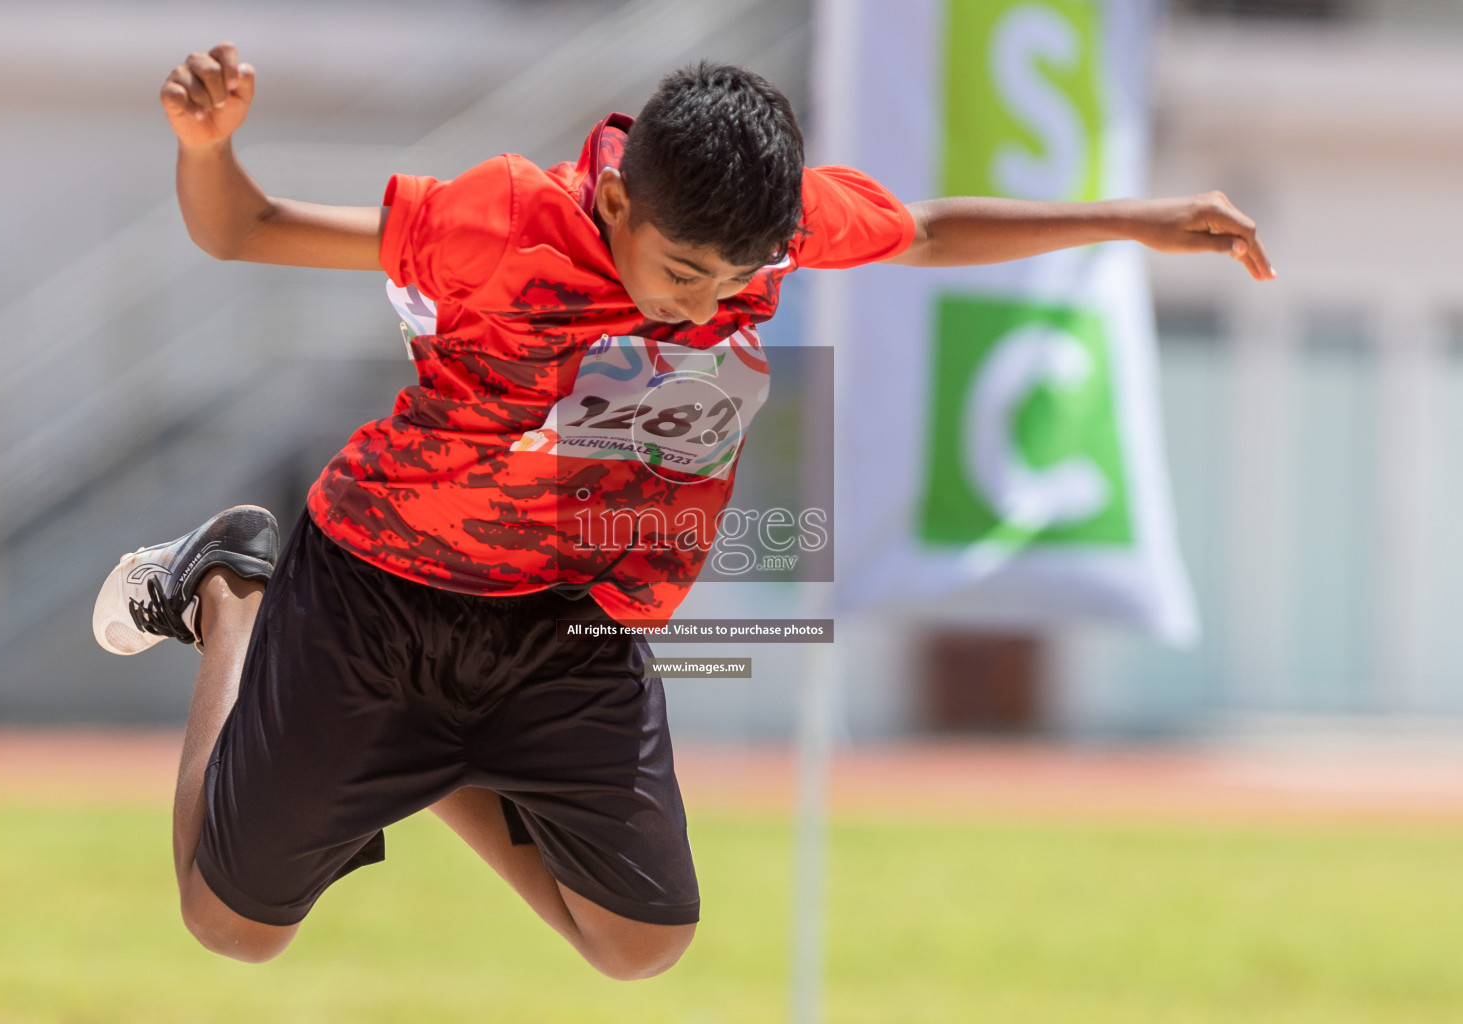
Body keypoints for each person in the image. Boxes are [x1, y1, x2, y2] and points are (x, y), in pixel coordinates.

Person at [91, 42, 1273, 978]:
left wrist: (1130, 218)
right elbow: (244, 229)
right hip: (383, 585)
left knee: (640, 942)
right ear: (613, 199)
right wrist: (210, 147)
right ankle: (232, 585)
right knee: (231, 927)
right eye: (680, 273)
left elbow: (922, 229)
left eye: (733, 278)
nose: (704, 300)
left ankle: (436, 756)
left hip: (566, 612)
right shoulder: (500, 219)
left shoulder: (768, 226)